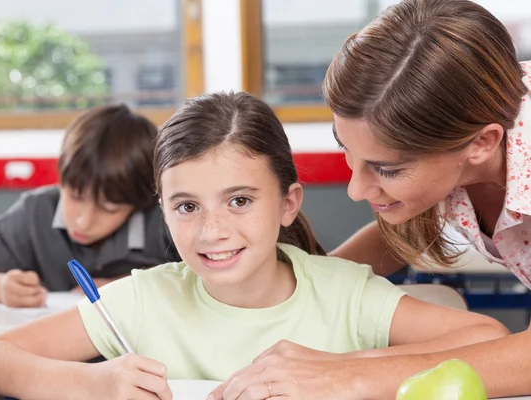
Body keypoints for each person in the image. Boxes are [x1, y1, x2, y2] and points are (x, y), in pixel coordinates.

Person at [0, 92, 508, 399]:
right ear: (163, 209)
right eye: (187, 206)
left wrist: (351, 367)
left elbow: (485, 336)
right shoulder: (146, 297)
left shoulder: (340, 293)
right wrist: (90, 382)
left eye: (240, 201)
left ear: (289, 203)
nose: (212, 231)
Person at [208, 0, 531, 399]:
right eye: (344, 147)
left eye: (388, 169)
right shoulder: (463, 122)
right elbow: (396, 234)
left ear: (482, 142)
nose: (356, 190)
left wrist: (353, 375)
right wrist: (300, 292)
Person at [0, 104, 179, 308]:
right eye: (75, 196)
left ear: (139, 202)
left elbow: (206, 280)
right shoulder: (37, 211)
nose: (83, 221)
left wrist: (131, 285)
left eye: (109, 209)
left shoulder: (164, 217)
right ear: (62, 179)